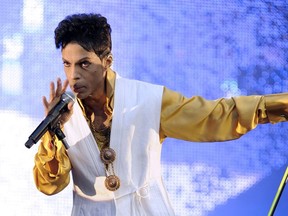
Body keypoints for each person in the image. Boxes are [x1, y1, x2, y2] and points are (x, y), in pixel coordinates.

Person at [33, 13, 288, 216]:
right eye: (67, 63)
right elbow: (49, 185)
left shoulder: (147, 100)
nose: (73, 74)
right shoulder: (62, 114)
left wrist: (282, 105)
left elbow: (215, 116)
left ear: (107, 61)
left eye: (84, 63)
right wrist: (53, 132)